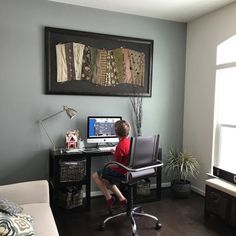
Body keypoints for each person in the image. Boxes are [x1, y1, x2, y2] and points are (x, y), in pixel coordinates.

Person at [91, 120, 131, 213]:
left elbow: (117, 165)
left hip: (121, 172)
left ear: (116, 132)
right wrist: (115, 153)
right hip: (129, 171)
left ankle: (109, 198)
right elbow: (123, 157)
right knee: (105, 179)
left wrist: (107, 165)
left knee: (95, 175)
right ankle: (121, 199)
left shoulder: (120, 145)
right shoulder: (128, 142)